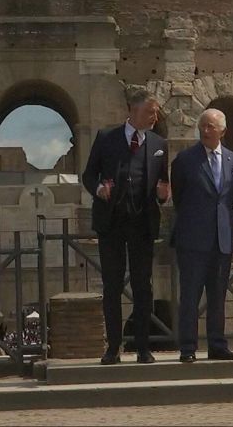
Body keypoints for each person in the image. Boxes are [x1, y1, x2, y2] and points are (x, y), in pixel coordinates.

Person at [81, 89, 170, 365]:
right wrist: (98, 190)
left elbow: (163, 183)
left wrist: (163, 193)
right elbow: (88, 175)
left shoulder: (159, 143)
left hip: (143, 223)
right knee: (112, 286)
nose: (155, 117)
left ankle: (143, 348)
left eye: (156, 113)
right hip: (112, 223)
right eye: (150, 112)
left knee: (144, 286)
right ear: (133, 110)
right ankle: (114, 348)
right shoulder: (106, 138)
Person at [171, 108, 233, 363]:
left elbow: (232, 198)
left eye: (211, 126)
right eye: (203, 125)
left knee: (217, 296)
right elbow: (178, 197)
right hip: (192, 238)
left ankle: (217, 345)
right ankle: (188, 347)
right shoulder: (185, 160)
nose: (206, 130)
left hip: (222, 239)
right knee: (189, 295)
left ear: (222, 130)